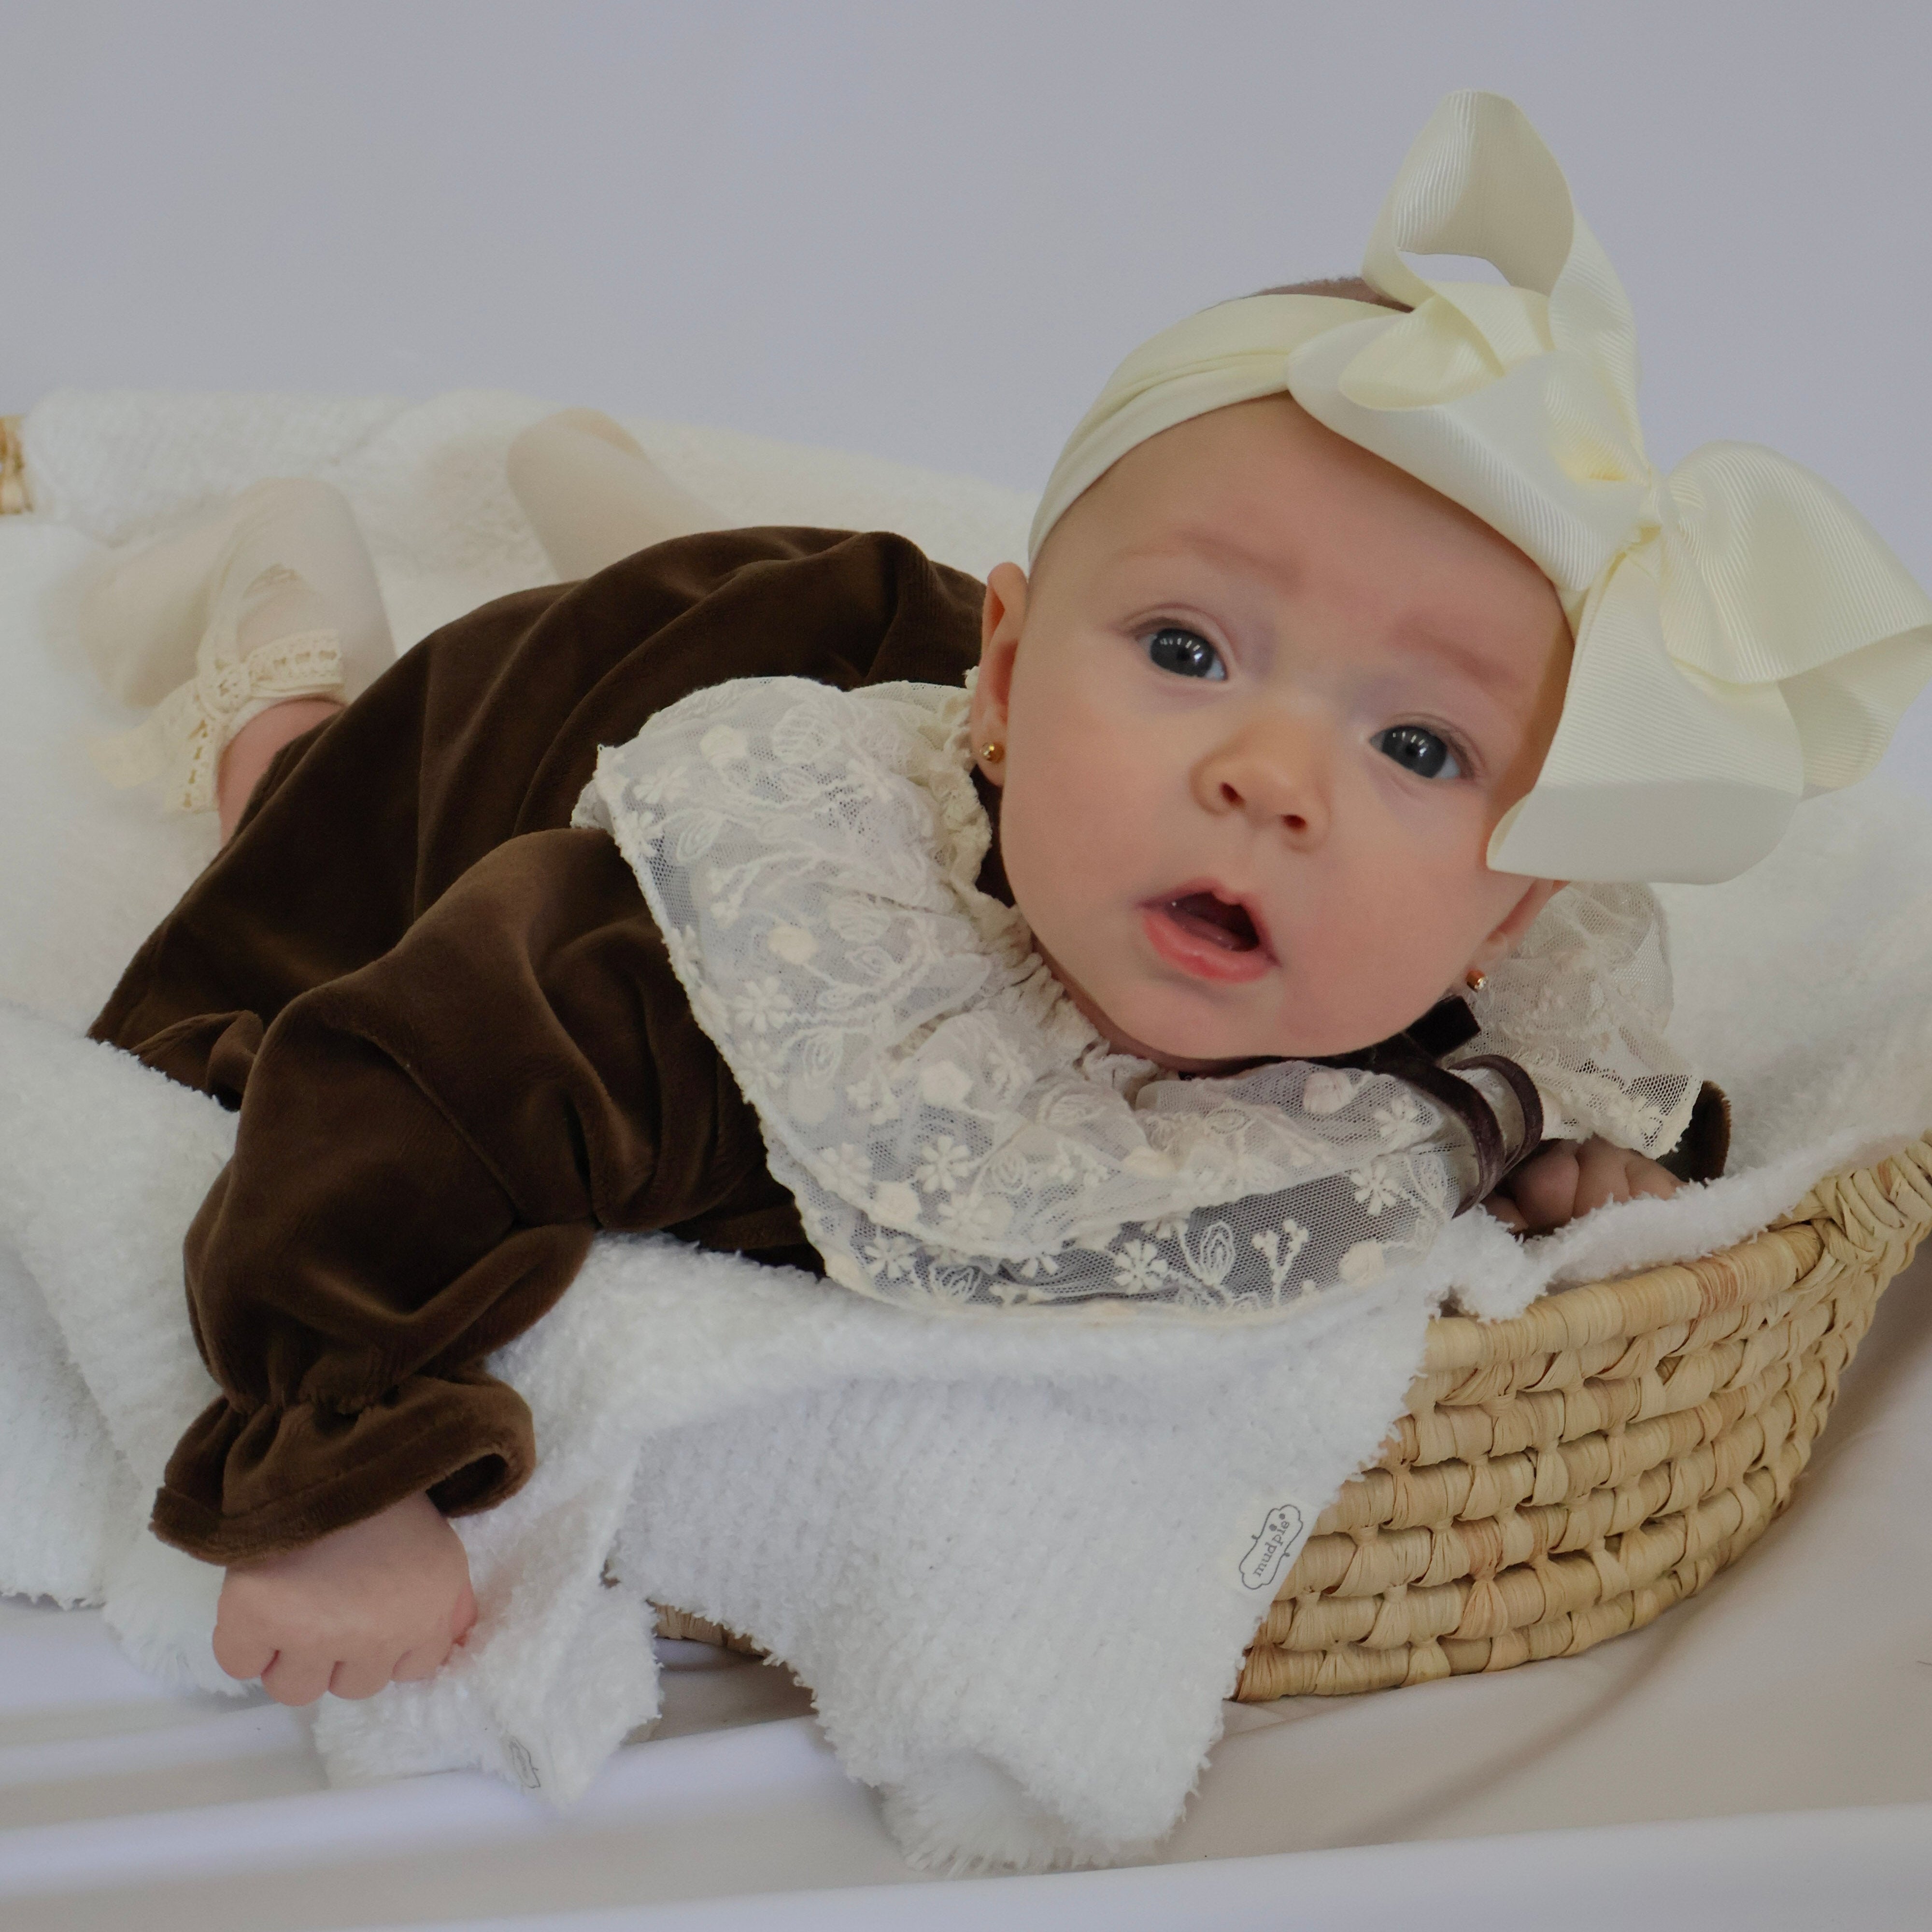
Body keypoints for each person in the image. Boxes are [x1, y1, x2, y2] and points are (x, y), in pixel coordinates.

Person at [74, 93, 1932, 1710]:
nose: (1271, 777)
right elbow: (401, 1080)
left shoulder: (1447, 1012)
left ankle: (616, 485)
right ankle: (286, 626)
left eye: (1420, 747)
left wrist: (1586, 1172)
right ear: (1018, 683)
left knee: (743, 565)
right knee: (316, 815)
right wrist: (339, 1467)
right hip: (576, 704)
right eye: (1190, 648)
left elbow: (1584, 1106)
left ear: (1509, 907)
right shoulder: (761, 962)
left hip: (924, 672)